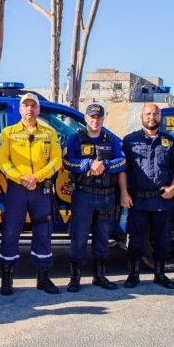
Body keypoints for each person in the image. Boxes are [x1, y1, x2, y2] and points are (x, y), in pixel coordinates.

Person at [0, 93, 63, 295]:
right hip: (16, 190)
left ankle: (43, 278)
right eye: (25, 105)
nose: (29, 109)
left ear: (39, 109)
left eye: (33, 105)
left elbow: (56, 161)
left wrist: (37, 177)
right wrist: (21, 178)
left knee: (43, 232)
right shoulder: (7, 133)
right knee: (10, 232)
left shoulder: (49, 134)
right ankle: (7, 279)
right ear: (20, 109)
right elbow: (2, 161)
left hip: (41, 190)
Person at [120, 103, 174, 289]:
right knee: (135, 240)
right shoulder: (130, 140)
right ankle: (133, 274)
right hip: (138, 199)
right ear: (141, 116)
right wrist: (124, 192)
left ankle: (160, 274)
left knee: (162, 239)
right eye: (148, 114)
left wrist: (173, 187)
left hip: (161, 200)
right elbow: (122, 169)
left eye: (155, 114)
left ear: (160, 117)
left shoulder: (169, 142)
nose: (151, 117)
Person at [62, 103, 125, 292]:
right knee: (79, 237)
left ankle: (99, 275)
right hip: (83, 195)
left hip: (106, 196)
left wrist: (104, 164)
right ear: (85, 118)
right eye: (91, 117)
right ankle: (75, 277)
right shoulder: (75, 139)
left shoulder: (111, 139)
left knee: (103, 237)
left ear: (103, 119)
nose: (95, 121)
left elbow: (121, 160)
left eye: (98, 117)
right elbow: (66, 160)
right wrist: (88, 164)